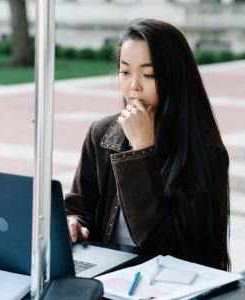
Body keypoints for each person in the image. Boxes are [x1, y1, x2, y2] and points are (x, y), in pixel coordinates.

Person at [65, 18, 231, 271]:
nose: (134, 86)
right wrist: (72, 222)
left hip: (170, 285)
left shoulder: (205, 152)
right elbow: (78, 207)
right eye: (125, 71)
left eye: (148, 74)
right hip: (106, 280)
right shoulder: (101, 134)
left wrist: (142, 150)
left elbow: (158, 241)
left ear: (176, 78)